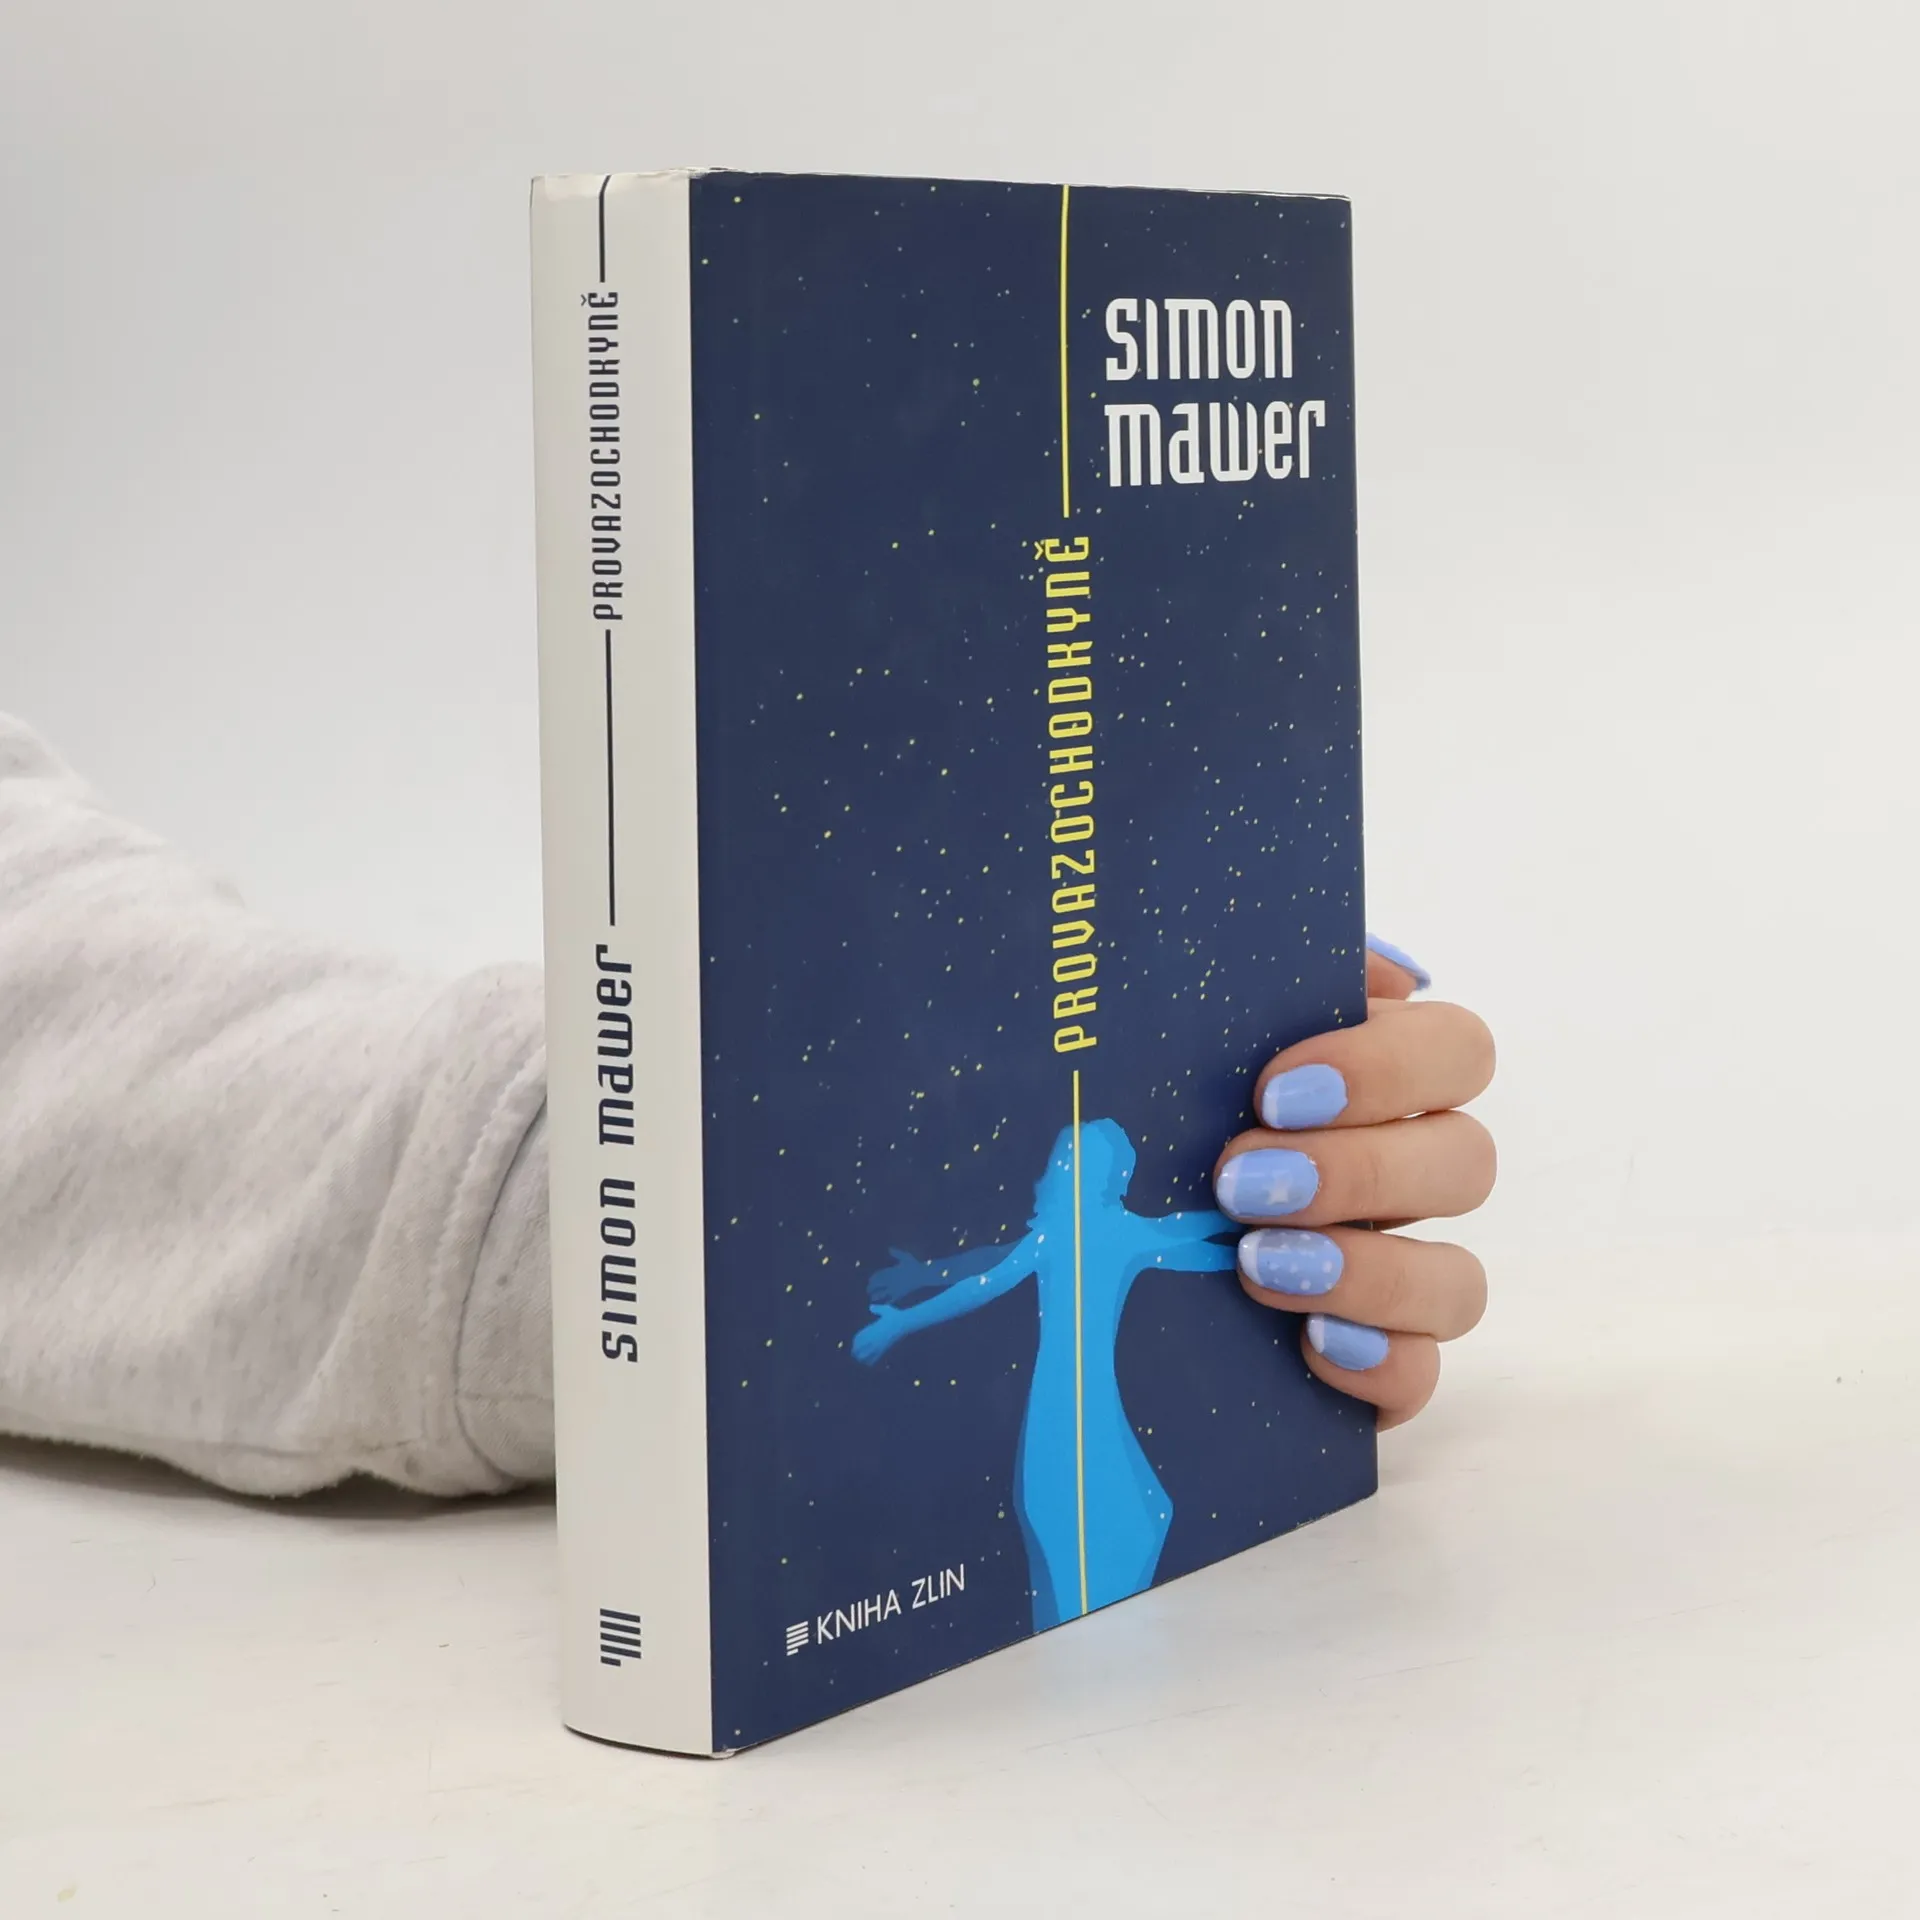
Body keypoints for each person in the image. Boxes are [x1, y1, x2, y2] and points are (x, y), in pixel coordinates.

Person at [0, 709, 1494, 1498]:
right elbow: (965, 1283)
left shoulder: (1084, 1225)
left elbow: (1150, 1244)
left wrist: (1208, 1106)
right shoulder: (1046, 1232)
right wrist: (685, 1216)